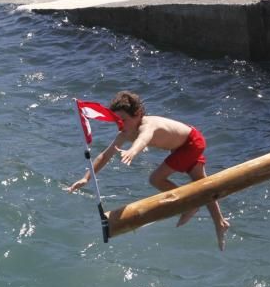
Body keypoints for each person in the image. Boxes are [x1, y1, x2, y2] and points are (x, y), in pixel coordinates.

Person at [68, 91, 230, 251]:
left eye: (124, 119)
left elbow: (143, 138)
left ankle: (190, 204)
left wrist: (133, 151)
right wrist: (86, 178)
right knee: (202, 184)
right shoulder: (125, 132)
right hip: (182, 145)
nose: (121, 124)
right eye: (118, 120)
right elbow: (104, 156)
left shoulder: (147, 125)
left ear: (138, 114)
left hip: (190, 143)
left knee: (156, 179)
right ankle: (220, 223)